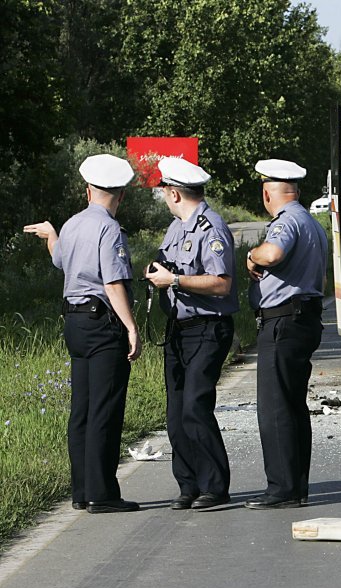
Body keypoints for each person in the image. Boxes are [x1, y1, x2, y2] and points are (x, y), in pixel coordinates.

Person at [23, 154, 142, 513]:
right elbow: (113, 282)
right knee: (105, 409)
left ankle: (80, 491)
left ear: (88, 191)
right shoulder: (109, 229)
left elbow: (60, 259)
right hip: (103, 323)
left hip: (74, 323)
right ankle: (102, 493)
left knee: (83, 410)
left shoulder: (72, 224)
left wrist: (51, 235)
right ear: (119, 195)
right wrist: (131, 326)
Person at [144, 157, 238, 511]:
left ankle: (215, 486)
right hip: (178, 329)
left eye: (165, 192)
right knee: (175, 413)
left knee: (195, 407)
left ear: (174, 193)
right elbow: (168, 264)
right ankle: (189, 485)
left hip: (208, 327)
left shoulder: (211, 228)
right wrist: (157, 272)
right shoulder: (176, 227)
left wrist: (176, 280)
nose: (164, 198)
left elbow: (221, 284)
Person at [245, 159, 328, 509]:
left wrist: (251, 254)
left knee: (276, 408)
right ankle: (296, 486)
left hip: (283, 321)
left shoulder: (287, 222)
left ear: (267, 193)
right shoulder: (310, 222)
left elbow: (273, 253)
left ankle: (281, 488)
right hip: (303, 319)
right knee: (293, 407)